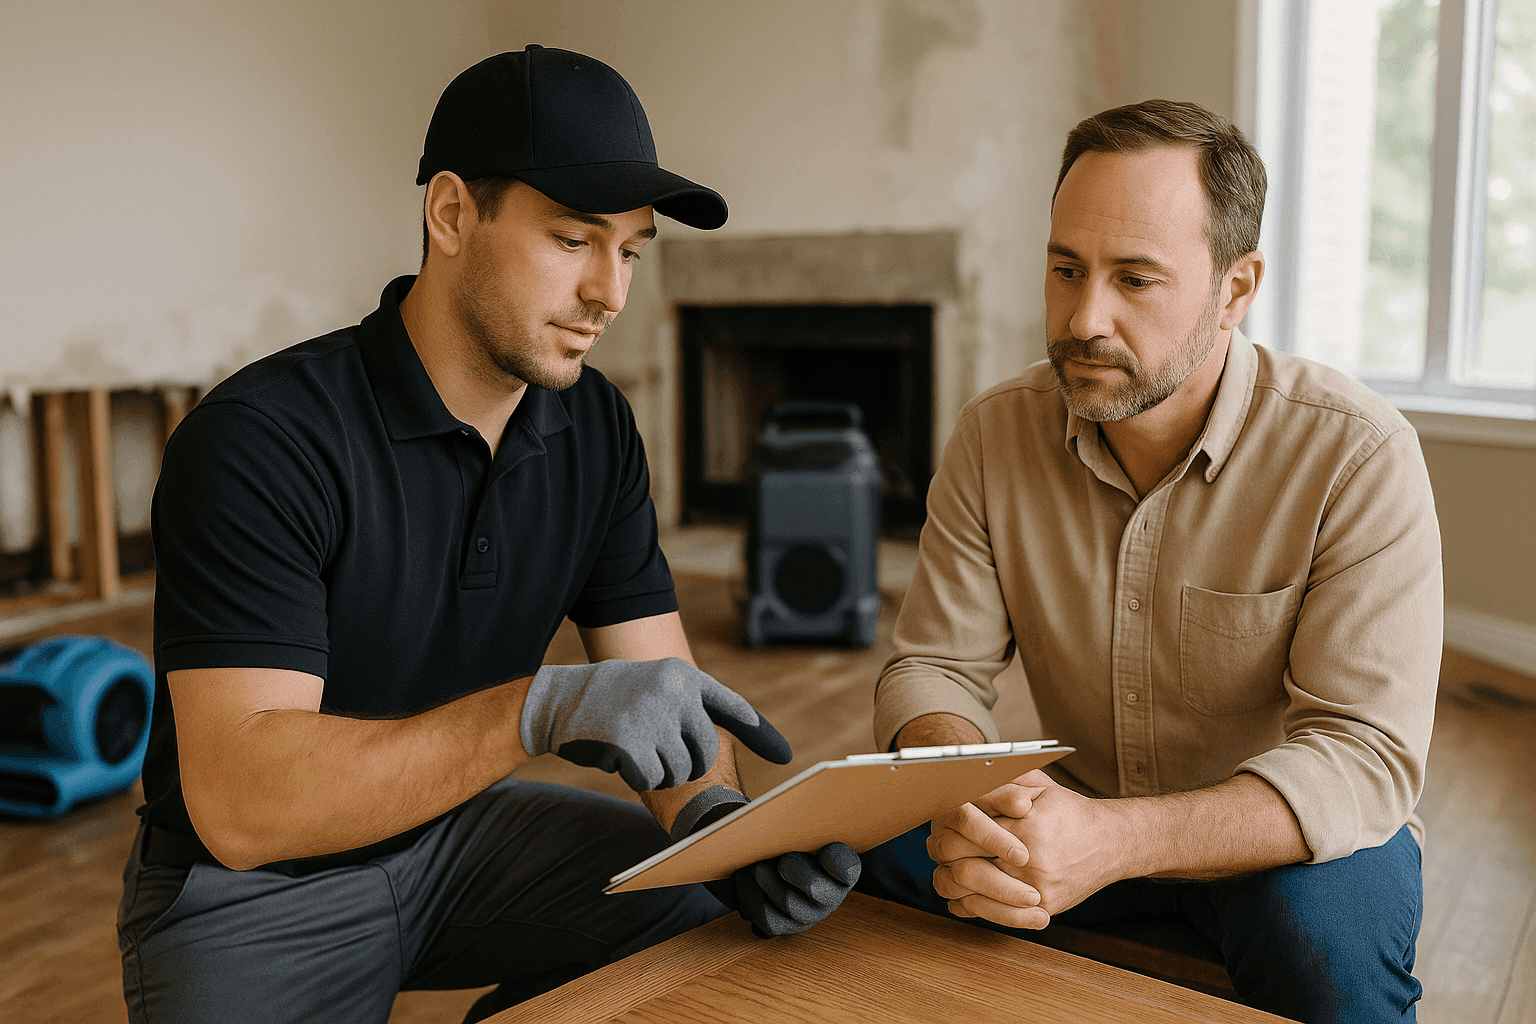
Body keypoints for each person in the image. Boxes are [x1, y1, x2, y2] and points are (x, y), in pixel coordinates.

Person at [118, 46, 858, 1024]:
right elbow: (243, 805)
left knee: (712, 919)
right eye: (572, 240)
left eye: (630, 252)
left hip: (460, 839)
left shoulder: (597, 428)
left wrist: (723, 829)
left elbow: (662, 688)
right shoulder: (262, 439)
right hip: (250, 889)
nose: (611, 295)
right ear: (453, 213)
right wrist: (539, 710)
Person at [857, 100, 1440, 1023]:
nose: (1084, 318)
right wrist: (970, 785)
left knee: (1325, 949)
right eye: (1065, 269)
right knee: (833, 877)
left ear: (1235, 289)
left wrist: (1112, 839)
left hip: (1284, 841)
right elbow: (932, 667)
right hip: (1060, 815)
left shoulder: (1357, 454)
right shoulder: (993, 434)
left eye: (1135, 279)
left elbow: (1364, 756)